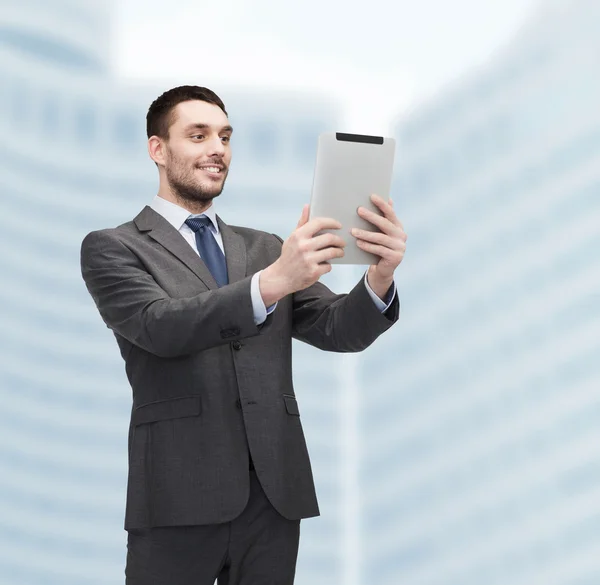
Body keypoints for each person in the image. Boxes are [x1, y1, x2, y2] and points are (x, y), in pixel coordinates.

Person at [80, 85, 407, 585]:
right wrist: (276, 281)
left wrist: (379, 277)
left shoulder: (265, 248)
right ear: (157, 150)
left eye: (225, 136)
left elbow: (339, 329)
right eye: (198, 135)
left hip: (273, 499)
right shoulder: (114, 247)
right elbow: (160, 325)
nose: (218, 148)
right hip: (177, 497)